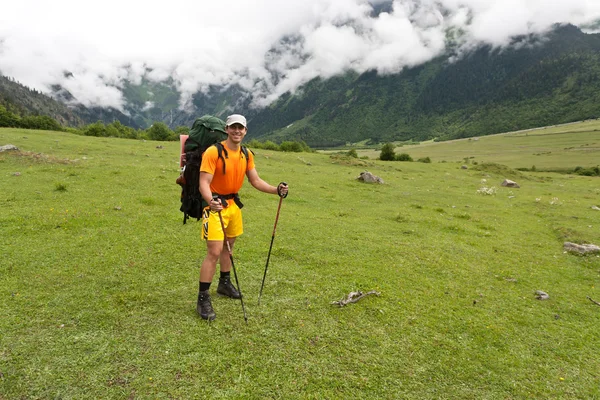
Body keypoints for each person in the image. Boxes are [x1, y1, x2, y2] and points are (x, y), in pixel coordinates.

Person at [196, 114, 288, 320]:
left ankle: (224, 284)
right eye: (233, 127)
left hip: (233, 207)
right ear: (226, 129)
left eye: (241, 128)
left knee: (229, 247)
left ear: (245, 131)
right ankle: (203, 298)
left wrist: (276, 190)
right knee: (214, 251)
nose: (237, 131)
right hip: (215, 207)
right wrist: (211, 201)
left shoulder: (246, 154)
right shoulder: (214, 152)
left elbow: (255, 180)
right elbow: (204, 181)